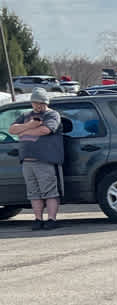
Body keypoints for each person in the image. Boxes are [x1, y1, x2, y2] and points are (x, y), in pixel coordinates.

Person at [14, 93, 64, 230]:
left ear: (46, 103)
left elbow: (45, 130)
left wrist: (23, 131)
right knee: (33, 192)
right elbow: (12, 129)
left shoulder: (52, 115)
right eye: (35, 103)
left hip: (44, 160)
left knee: (49, 191)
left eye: (41, 103)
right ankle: (38, 219)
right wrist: (30, 125)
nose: (37, 106)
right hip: (26, 161)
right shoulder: (25, 115)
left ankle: (52, 219)